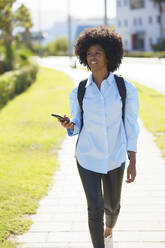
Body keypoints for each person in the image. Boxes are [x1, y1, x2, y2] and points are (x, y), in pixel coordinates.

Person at [58, 25, 139, 248]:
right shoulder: (80, 90)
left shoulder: (125, 88)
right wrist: (69, 125)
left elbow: (131, 126)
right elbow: (77, 125)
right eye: (89, 53)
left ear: (109, 55)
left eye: (98, 52)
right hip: (87, 157)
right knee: (95, 208)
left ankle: (108, 231)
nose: (92, 57)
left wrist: (132, 159)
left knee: (112, 207)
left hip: (115, 158)